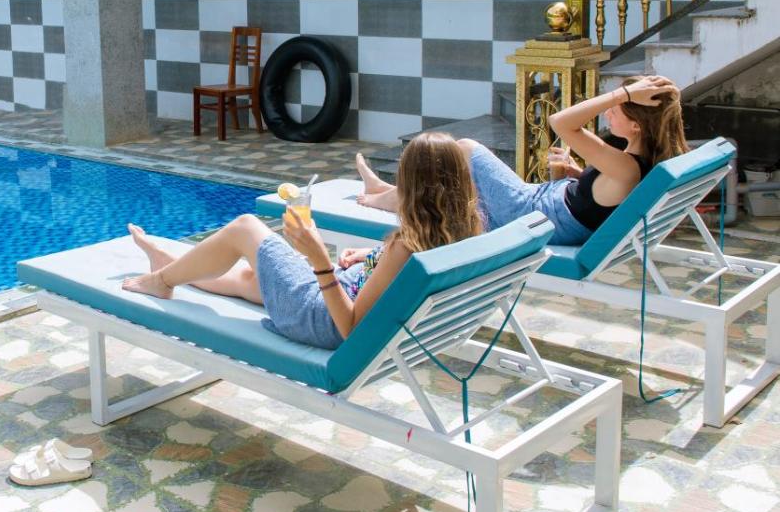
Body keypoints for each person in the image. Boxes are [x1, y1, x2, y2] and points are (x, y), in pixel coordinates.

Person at [122, 132, 481, 349]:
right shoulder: (465, 230)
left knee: (246, 227)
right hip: (346, 291)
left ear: (414, 187)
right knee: (250, 279)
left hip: (323, 318)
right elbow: (393, 276)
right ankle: (170, 267)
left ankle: (162, 281)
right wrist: (371, 257)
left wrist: (320, 260)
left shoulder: (405, 248)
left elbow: (350, 328)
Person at [356, 75, 687, 246]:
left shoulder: (627, 168)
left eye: (617, 109)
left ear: (636, 124)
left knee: (464, 150)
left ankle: (381, 197)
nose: (609, 111)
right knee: (455, 183)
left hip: (530, 213)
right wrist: (575, 176)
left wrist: (622, 93)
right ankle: (384, 192)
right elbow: (596, 202)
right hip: (542, 204)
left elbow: (560, 122)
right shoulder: (632, 162)